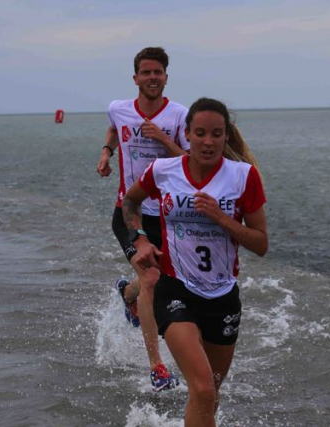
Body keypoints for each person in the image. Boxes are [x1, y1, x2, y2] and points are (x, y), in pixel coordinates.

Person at [122, 97, 268, 426]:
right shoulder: (163, 170)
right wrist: (140, 239)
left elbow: (261, 243)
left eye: (216, 134)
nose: (207, 141)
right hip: (177, 291)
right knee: (202, 389)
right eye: (199, 133)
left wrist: (222, 219)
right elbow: (129, 204)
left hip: (222, 298)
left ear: (226, 136)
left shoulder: (244, 177)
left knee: (209, 396)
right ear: (186, 134)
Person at [96, 47, 190, 391]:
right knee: (152, 278)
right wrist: (106, 152)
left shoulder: (179, 116)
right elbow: (112, 129)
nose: (153, 77)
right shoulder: (118, 109)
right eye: (146, 72)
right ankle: (158, 367)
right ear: (135, 78)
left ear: (166, 77)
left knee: (162, 280)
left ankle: (127, 293)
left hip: (166, 216)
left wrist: (164, 139)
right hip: (129, 213)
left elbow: (192, 162)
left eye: (158, 72)